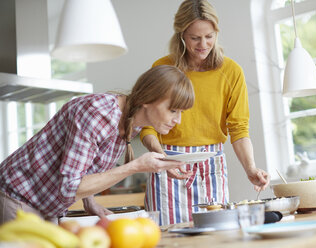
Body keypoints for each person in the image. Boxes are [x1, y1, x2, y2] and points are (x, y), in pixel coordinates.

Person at [0, 65, 194, 224]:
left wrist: (89, 201)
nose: (177, 120)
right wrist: (136, 166)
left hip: (46, 204)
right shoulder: (98, 115)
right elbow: (70, 187)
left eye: (181, 113)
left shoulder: (132, 123)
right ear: (147, 99)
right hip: (18, 195)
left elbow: (83, 166)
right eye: (173, 110)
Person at [140, 0, 270, 225]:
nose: (203, 44)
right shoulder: (163, 68)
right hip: (167, 160)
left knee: (216, 234)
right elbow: (147, 123)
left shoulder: (231, 71)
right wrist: (161, 158)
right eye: (195, 38)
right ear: (181, 34)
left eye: (209, 36)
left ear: (216, 32)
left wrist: (250, 168)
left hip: (211, 166)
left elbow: (238, 128)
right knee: (170, 237)